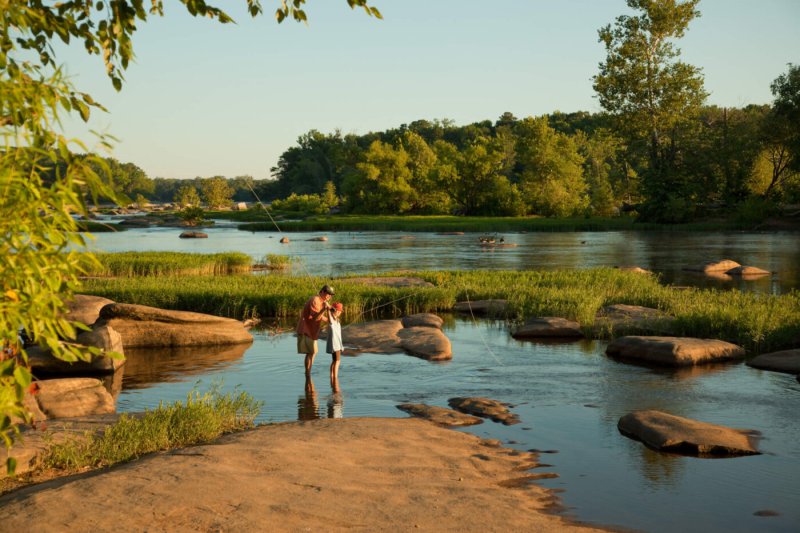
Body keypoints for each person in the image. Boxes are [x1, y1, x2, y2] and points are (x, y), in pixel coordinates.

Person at [296, 284, 335, 376]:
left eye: (331, 295)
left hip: (312, 331)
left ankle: (308, 373)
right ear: (322, 292)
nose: (329, 296)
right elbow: (315, 318)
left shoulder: (321, 301)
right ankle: (308, 374)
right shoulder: (315, 300)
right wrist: (324, 309)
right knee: (311, 352)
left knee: (313, 352)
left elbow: (319, 317)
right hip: (306, 330)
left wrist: (330, 320)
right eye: (328, 294)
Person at [326, 302, 344, 383]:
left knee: (334, 361)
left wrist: (341, 345)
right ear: (335, 311)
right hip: (335, 345)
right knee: (337, 361)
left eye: (340, 311)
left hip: (337, 344)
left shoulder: (336, 320)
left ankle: (332, 377)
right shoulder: (332, 320)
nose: (340, 312)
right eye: (339, 311)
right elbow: (329, 317)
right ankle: (335, 378)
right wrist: (328, 309)